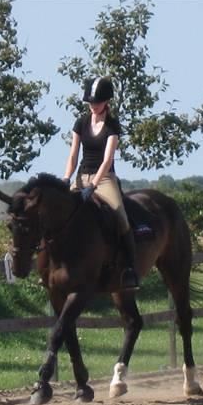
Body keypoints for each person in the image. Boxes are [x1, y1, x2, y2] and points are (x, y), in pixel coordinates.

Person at [62, 77, 139, 290]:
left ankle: (130, 269)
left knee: (120, 215)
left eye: (97, 102)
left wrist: (93, 186)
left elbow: (107, 160)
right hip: (81, 176)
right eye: (90, 102)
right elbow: (73, 155)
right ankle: (55, 265)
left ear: (106, 102)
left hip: (103, 178)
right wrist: (66, 179)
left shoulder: (113, 125)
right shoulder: (81, 123)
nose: (93, 106)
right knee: (60, 213)